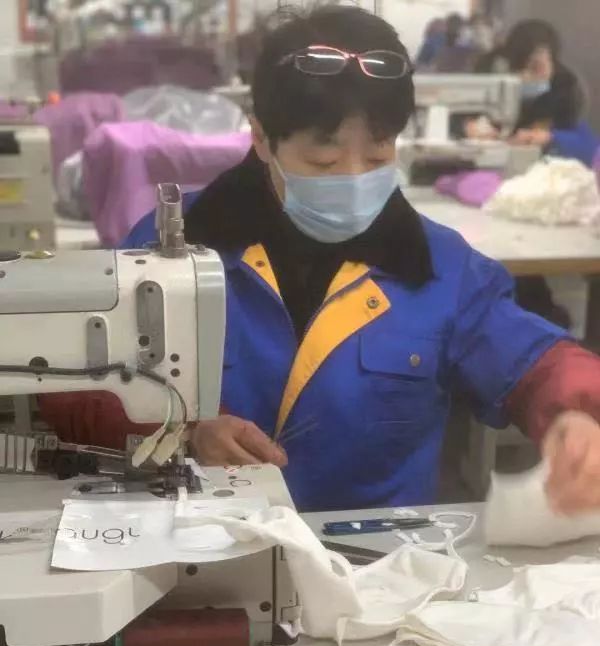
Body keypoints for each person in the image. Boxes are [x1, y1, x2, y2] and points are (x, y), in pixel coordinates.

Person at [40, 5, 600, 516]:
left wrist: (576, 417)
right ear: (262, 139)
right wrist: (183, 434)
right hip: (204, 549)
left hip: (381, 566)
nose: (354, 178)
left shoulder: (438, 269)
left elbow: (539, 363)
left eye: (378, 155)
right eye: (324, 160)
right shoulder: (172, 250)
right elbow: (72, 387)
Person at [475, 19, 599, 166]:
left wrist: (550, 138)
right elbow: (464, 121)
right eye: (520, 67)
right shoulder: (492, 74)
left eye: (536, 68)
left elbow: (590, 148)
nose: (526, 76)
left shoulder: (565, 91)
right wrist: (469, 127)